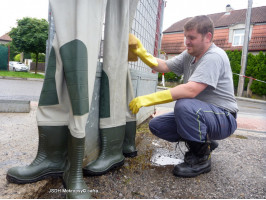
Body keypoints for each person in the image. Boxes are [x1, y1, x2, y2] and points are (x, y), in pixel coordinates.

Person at [129, 15, 238, 178]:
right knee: (157, 125)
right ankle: (203, 143)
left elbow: (190, 90)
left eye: (192, 37)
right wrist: (141, 52)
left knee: (184, 105)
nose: (187, 41)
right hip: (203, 114)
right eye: (186, 37)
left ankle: (201, 159)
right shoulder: (190, 55)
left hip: (224, 117)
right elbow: (164, 65)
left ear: (208, 37)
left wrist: (147, 99)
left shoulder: (214, 56)